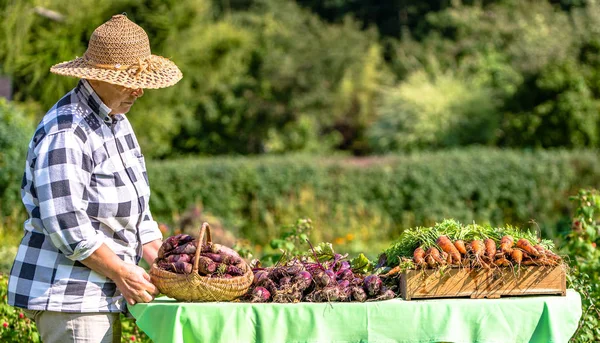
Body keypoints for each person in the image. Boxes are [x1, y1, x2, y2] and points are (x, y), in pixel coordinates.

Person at [7, 14, 182, 343]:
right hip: (71, 298)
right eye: (130, 79)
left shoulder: (116, 120)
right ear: (98, 76)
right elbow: (66, 223)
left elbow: (138, 214)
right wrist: (120, 272)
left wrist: (171, 264)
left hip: (101, 295)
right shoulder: (67, 130)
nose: (140, 90)